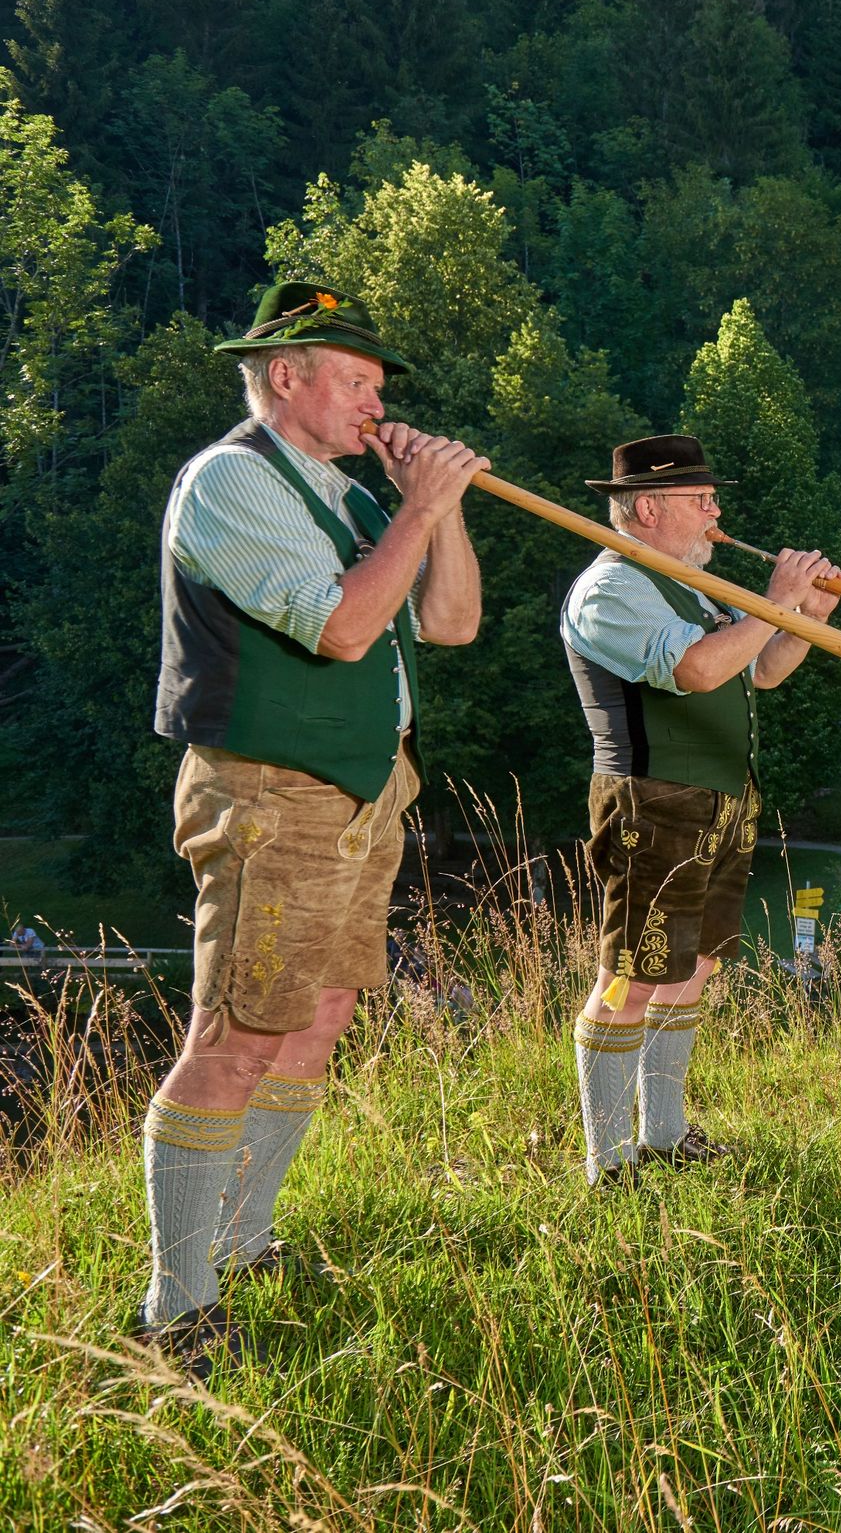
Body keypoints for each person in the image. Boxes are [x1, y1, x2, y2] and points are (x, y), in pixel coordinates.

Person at [140, 281, 486, 1372]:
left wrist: (446, 506)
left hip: (360, 788)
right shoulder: (230, 479)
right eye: (356, 380)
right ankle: (175, 1306)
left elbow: (452, 620)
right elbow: (342, 630)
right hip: (268, 790)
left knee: (320, 1014)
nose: (375, 404)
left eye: (379, 386)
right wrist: (420, 509)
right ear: (285, 377)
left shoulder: (344, 494)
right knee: (236, 1031)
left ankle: (246, 1243)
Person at [560, 435, 841, 1185]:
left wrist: (809, 616)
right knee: (631, 972)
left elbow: (765, 670)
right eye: (701, 498)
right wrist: (778, 601)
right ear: (648, 507)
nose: (717, 511)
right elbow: (695, 667)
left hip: (721, 799)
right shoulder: (610, 587)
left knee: (695, 965)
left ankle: (665, 1133)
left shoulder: (693, 584)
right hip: (651, 800)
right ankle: (607, 1161)